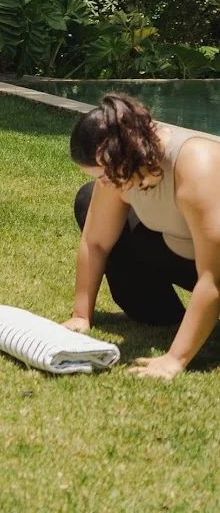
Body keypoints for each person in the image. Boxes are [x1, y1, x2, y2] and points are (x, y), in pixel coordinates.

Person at [65, 93, 220, 379]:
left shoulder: (196, 164)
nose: (104, 184)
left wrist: (175, 359)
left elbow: (214, 277)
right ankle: (166, 315)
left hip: (214, 267)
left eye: (105, 176)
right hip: (185, 253)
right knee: (88, 198)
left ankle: (201, 329)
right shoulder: (126, 161)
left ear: (123, 155)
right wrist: (80, 316)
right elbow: (95, 241)